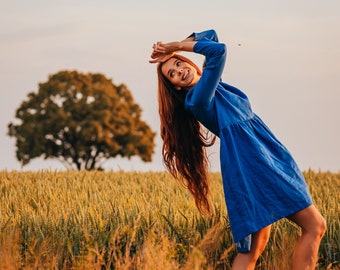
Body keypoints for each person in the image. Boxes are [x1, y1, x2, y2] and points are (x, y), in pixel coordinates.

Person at [149, 29, 326, 269]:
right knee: (315, 225)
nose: (180, 71)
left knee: (256, 246)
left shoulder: (213, 85)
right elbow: (218, 51)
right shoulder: (198, 98)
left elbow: (210, 35)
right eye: (173, 74)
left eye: (179, 63)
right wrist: (174, 46)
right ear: (176, 88)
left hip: (261, 156)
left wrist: (175, 48)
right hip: (254, 161)